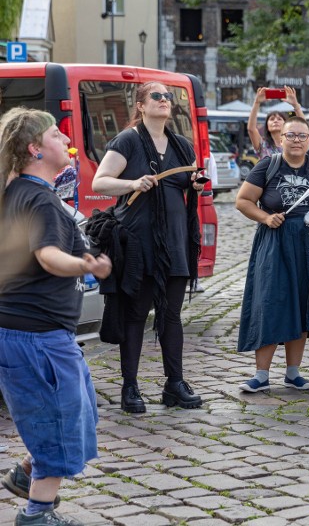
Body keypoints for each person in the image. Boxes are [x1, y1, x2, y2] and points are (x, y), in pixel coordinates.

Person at [0, 107, 112, 526]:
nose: (66, 138)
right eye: (54, 135)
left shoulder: (19, 191)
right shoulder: (39, 199)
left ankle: (26, 473)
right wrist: (85, 265)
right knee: (61, 423)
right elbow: (46, 257)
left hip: (36, 335)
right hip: (37, 337)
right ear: (34, 149)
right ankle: (37, 514)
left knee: (79, 413)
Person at [92, 82, 206, 414]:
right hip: (138, 242)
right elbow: (100, 181)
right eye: (156, 96)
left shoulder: (182, 146)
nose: (164, 100)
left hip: (174, 242)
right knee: (136, 315)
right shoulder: (127, 139)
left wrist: (195, 183)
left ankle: (175, 384)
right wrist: (131, 182)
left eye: (168, 97)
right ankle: (130, 387)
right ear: (141, 105)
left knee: (171, 315)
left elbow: (189, 183)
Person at [235, 117, 309, 393]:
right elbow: (243, 201)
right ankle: (260, 374)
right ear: (280, 138)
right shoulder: (267, 166)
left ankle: (293, 373)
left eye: (302, 136)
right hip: (276, 242)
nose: (297, 140)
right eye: (291, 135)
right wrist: (265, 217)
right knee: (270, 300)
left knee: (302, 302)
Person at [248, 86, 305, 159]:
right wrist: (256, 103)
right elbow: (251, 129)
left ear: (286, 125)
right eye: (272, 119)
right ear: (267, 126)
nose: (275, 120)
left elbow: (304, 128)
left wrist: (295, 105)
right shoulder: (263, 145)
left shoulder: (293, 142)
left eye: (279, 119)